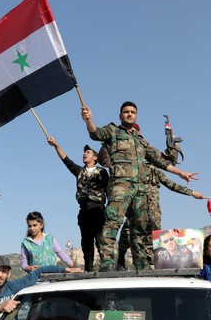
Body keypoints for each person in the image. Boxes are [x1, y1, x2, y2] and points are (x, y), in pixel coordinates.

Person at [81, 101, 199, 271]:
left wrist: (180, 173)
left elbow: (159, 161)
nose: (129, 114)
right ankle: (107, 262)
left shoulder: (141, 142)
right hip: (121, 186)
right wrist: (88, 120)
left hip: (140, 189)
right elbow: (95, 134)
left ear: (136, 116)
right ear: (121, 115)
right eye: (126, 112)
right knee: (113, 221)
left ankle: (141, 263)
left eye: (132, 112)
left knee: (139, 228)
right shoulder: (113, 131)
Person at [116, 123, 202, 270]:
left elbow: (171, 182)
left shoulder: (154, 170)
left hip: (153, 210)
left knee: (154, 233)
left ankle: (151, 263)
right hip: (136, 204)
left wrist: (192, 193)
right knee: (128, 229)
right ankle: (121, 259)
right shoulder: (129, 164)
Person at [47, 136, 109, 272]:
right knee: (86, 242)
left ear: (95, 158)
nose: (84, 154)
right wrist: (56, 145)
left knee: (101, 240)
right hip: (84, 210)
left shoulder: (102, 172)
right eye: (84, 152)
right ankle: (89, 269)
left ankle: (106, 266)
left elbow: (108, 190)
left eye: (88, 152)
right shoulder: (80, 171)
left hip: (98, 209)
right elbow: (66, 161)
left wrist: (110, 209)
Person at [0, 255, 82, 320]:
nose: (0, 275)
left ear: (9, 274)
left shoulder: (13, 286)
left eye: (4, 271)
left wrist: (65, 270)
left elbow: (39, 271)